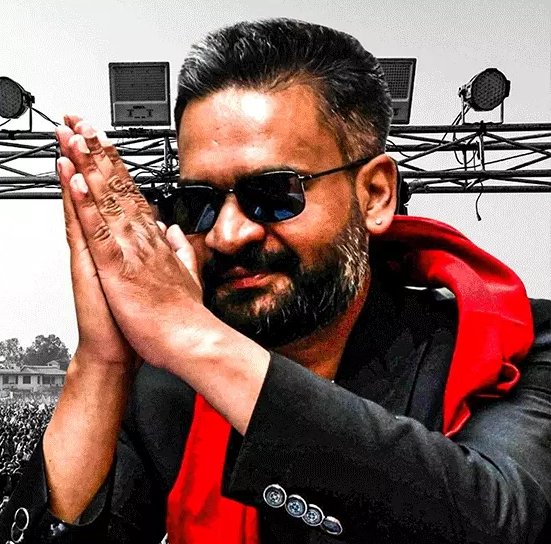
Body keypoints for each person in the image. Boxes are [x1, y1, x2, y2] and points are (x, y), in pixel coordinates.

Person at [0, 18, 550, 544]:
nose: (228, 234)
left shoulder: (521, 348)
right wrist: (101, 362)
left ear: (375, 195)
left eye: (273, 194)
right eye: (200, 202)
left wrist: (197, 340)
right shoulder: (169, 389)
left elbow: (501, 522)